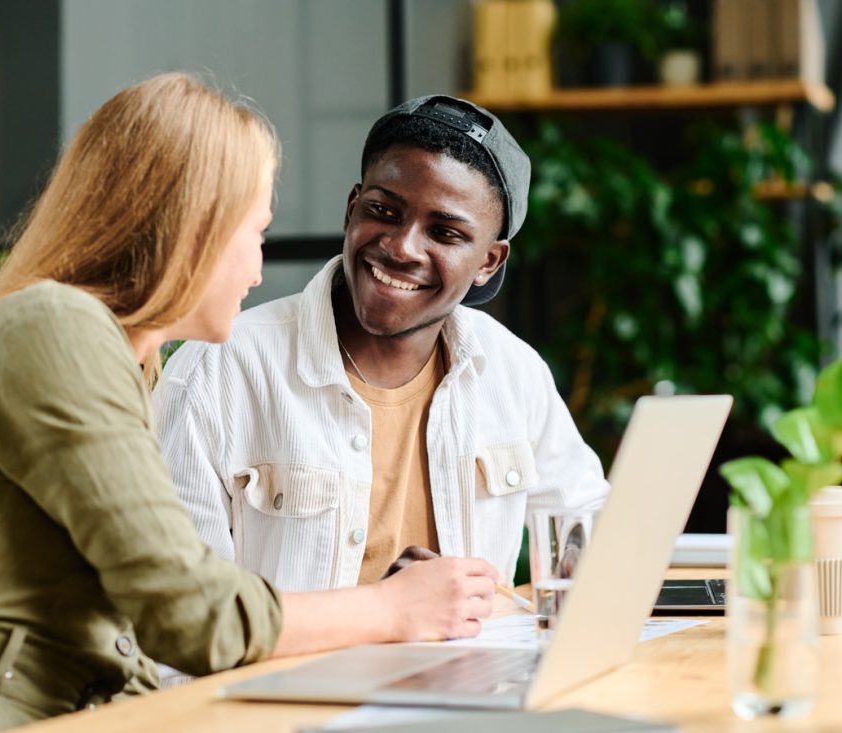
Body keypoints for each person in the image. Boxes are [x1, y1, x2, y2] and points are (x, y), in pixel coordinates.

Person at [0, 75, 498, 732]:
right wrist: (393, 608)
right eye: (256, 232)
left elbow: (142, 631)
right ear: (195, 226)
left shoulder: (124, 360)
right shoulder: (54, 330)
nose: (259, 270)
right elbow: (189, 612)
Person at [155, 95, 609, 593]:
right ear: (353, 209)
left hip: (476, 668)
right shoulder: (219, 371)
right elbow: (182, 624)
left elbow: (585, 514)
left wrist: (581, 561)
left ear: (488, 263)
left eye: (445, 232)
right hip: (293, 675)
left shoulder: (511, 370)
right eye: (383, 211)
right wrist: (382, 616)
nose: (401, 247)